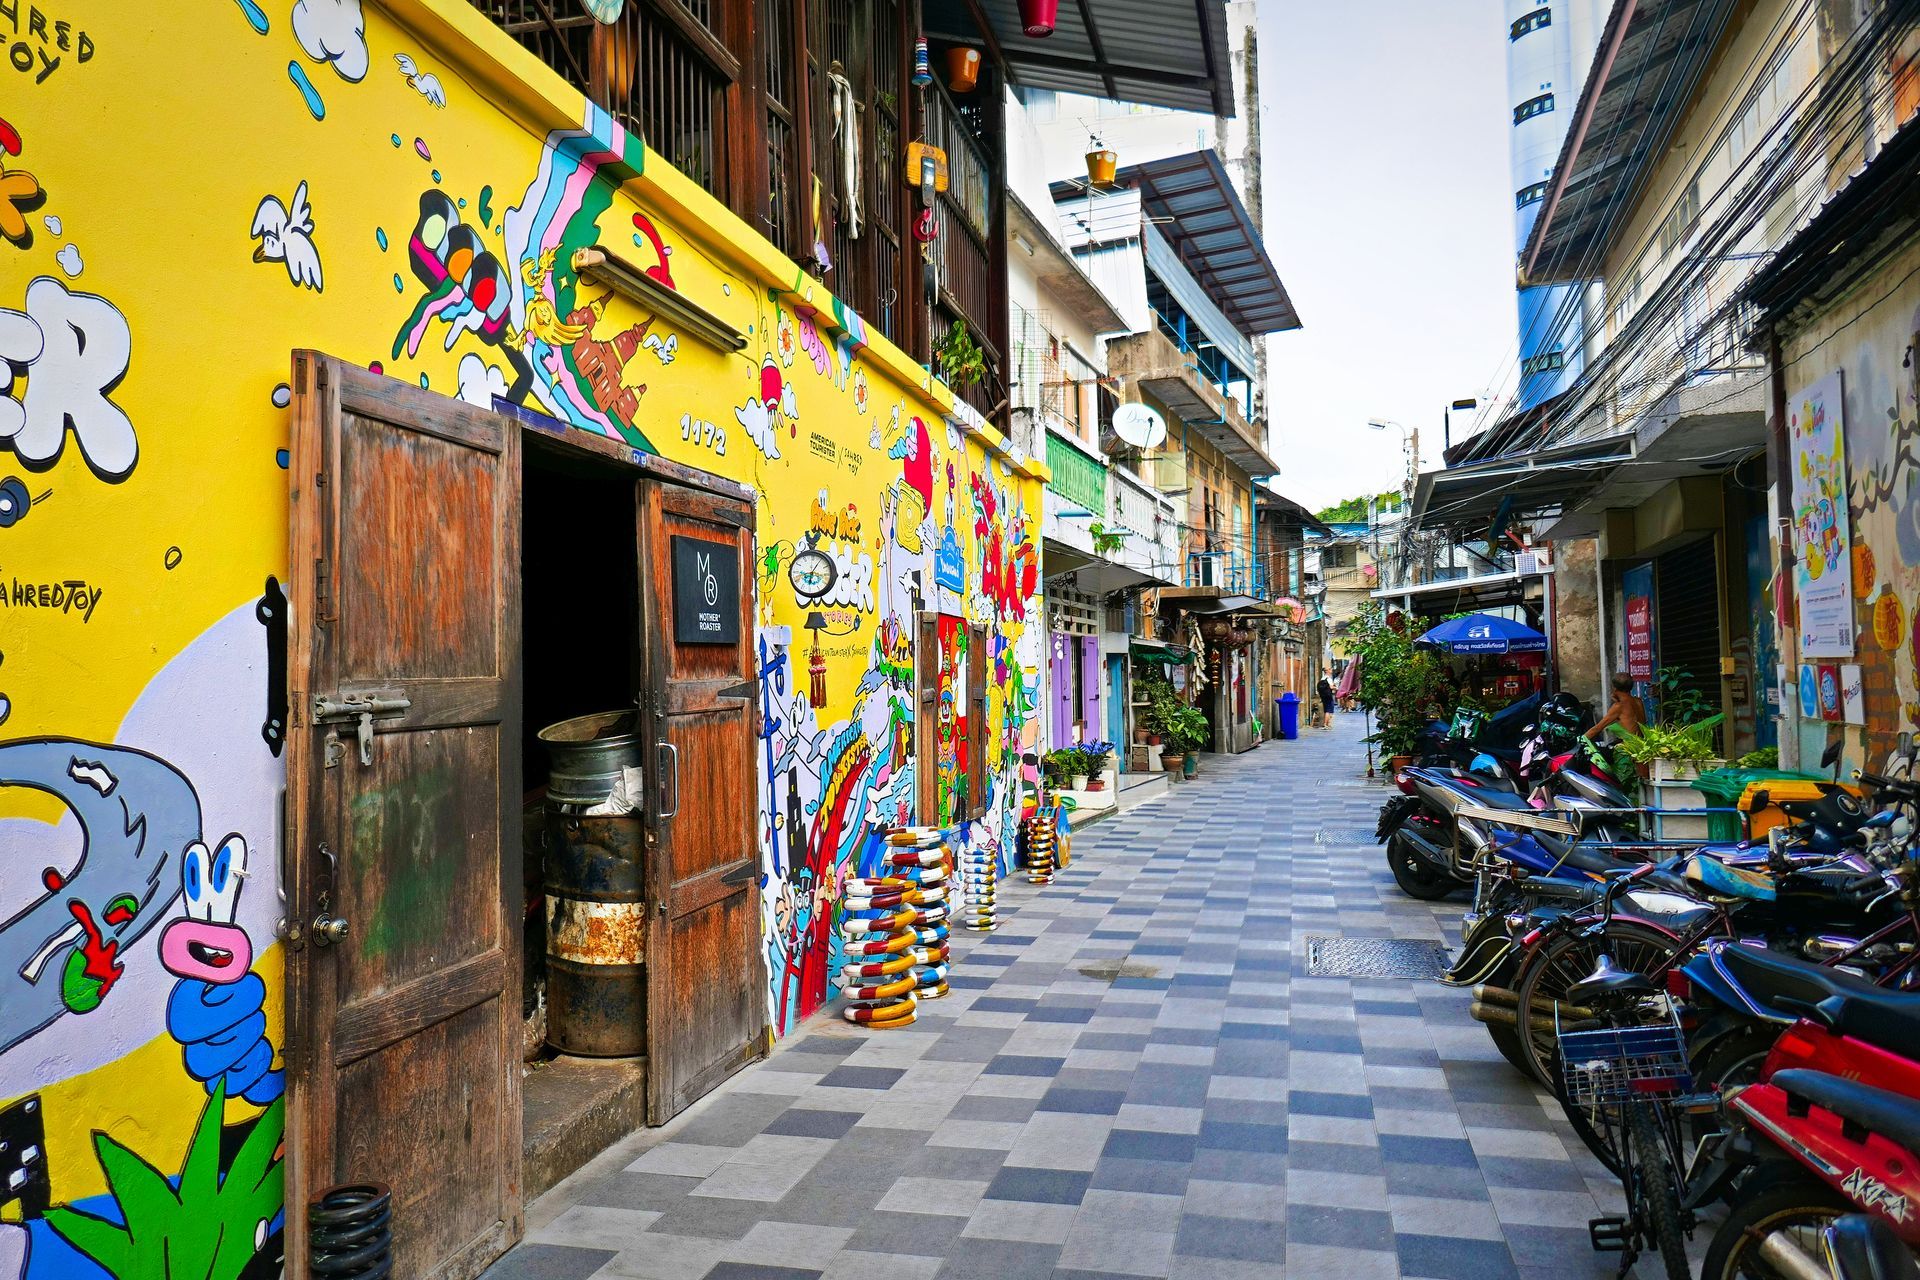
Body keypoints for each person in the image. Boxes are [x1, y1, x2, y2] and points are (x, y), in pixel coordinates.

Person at [1585, 673, 1645, 741]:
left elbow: (1598, 728)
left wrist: (1580, 740)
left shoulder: (1619, 706)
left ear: (1614, 688)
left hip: (1630, 746)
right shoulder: (1638, 701)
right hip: (1642, 744)